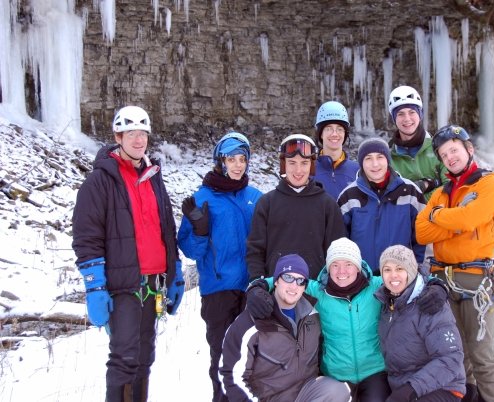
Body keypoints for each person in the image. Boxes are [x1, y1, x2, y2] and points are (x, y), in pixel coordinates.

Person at [246, 237, 449, 402]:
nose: (341, 272)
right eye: (335, 265)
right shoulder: (318, 291)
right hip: (335, 375)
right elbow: (286, 277)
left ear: (359, 266)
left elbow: (409, 277)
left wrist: (436, 286)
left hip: (374, 372)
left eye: (348, 264)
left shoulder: (378, 287)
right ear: (328, 267)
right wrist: (257, 287)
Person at [72, 105, 184, 402]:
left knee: (145, 357)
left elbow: (167, 230)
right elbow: (87, 237)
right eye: (131, 134)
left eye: (143, 134)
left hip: (153, 284)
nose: (138, 140)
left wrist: (176, 272)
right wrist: (95, 286)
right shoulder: (99, 182)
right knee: (124, 358)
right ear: (117, 137)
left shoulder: (153, 177)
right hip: (123, 285)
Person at [415, 125, 494, 402]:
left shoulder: (488, 184)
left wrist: (442, 218)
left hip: (476, 279)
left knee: (482, 355)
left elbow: (470, 219)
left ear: (469, 149)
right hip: (443, 281)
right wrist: (455, 220)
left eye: (453, 150)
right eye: (443, 155)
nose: (449, 158)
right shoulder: (441, 193)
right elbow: (421, 232)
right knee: (457, 354)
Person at [177, 132, 262, 402]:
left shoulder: (256, 197)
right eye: (231, 159)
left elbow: (267, 240)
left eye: (242, 159)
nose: (238, 165)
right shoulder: (202, 199)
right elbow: (190, 249)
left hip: (252, 288)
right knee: (222, 357)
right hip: (218, 290)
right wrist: (200, 231)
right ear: (220, 161)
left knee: (253, 357)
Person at [219, 254, 350, 402]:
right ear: (276, 281)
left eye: (300, 281)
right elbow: (228, 374)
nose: (294, 285)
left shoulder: (313, 316)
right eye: (288, 278)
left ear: (305, 287)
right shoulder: (250, 323)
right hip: (268, 397)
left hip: (304, 392)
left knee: (337, 391)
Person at [246, 133, 346, 280]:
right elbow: (255, 251)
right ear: (283, 165)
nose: (298, 170)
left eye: (304, 163)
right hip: (275, 291)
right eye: (292, 163)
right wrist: (259, 283)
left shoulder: (328, 205)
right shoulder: (266, 203)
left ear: (311, 166)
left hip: (316, 292)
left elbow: (337, 253)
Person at [375, 245, 466, 402]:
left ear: (410, 271)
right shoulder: (388, 302)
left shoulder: (430, 303)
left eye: (399, 269)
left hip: (442, 386)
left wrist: (412, 388)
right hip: (403, 386)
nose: (393, 275)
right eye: (387, 270)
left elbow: (451, 358)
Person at [338, 136, 426, 275]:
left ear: (387, 160)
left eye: (380, 157)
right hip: (363, 278)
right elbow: (341, 242)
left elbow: (424, 235)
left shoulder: (410, 192)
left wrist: (418, 268)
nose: (375, 164)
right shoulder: (348, 196)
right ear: (361, 163)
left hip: (401, 277)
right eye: (368, 158)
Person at [387, 85, 448, 200]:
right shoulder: (388, 157)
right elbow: (390, 197)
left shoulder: (439, 147)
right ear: (394, 119)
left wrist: (416, 196)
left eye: (412, 112)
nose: (407, 118)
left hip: (441, 214)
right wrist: (431, 184)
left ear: (420, 115)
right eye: (400, 114)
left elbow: (452, 186)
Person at [313, 100, 360, 199]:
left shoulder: (358, 171)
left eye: (339, 129)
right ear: (321, 134)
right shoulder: (308, 170)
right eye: (329, 128)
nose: (334, 134)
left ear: (345, 134)